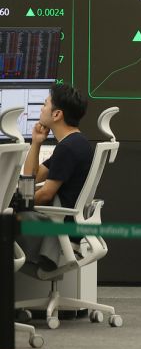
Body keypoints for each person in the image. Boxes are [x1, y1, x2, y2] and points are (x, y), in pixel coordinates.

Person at [18, 84, 91, 272]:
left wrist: (16, 202)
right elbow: (33, 178)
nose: (41, 108)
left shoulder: (67, 148)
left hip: (57, 227)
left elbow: (45, 195)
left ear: (57, 114)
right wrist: (36, 142)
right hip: (66, 222)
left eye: (45, 104)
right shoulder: (76, 142)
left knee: (7, 217)